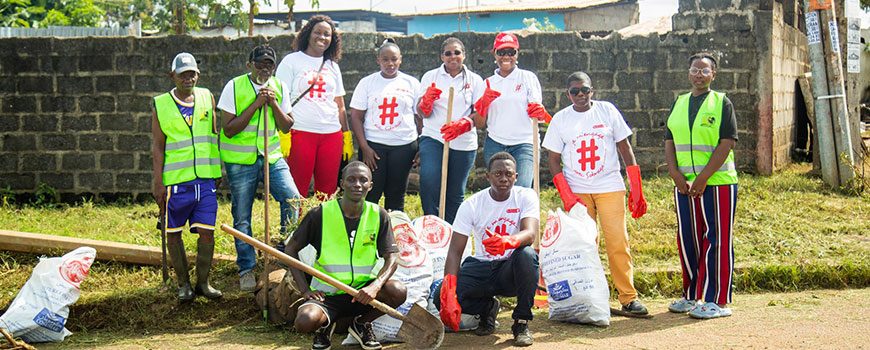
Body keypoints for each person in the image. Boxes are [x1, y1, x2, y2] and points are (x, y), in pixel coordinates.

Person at [542, 71, 650, 316]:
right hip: (578, 191)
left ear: (592, 90)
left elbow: (625, 148)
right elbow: (553, 160)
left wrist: (636, 187)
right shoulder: (561, 119)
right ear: (567, 94)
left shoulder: (607, 111)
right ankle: (591, 297)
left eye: (585, 90)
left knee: (617, 243)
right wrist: (567, 194)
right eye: (574, 91)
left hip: (609, 186)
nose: (580, 95)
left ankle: (628, 297)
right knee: (584, 246)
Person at [283, 161, 405, 350]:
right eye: (351, 179)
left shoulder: (378, 215)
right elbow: (290, 250)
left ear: (370, 186)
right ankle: (324, 327)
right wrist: (305, 290)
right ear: (342, 184)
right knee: (305, 321)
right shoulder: (319, 214)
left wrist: (375, 286)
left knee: (397, 290)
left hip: (363, 294)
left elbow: (392, 257)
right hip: (328, 295)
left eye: (363, 180)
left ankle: (361, 324)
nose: (357, 184)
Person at [217, 45, 301, 292]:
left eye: (269, 65)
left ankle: (283, 256)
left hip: (271, 156)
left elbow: (286, 126)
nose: (265, 68)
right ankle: (246, 268)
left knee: (293, 199)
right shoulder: (234, 87)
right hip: (241, 161)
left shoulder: (280, 87)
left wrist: (273, 104)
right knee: (242, 216)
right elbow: (229, 129)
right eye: (260, 64)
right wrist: (257, 103)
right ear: (249, 65)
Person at [435, 152, 539, 347]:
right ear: (488, 176)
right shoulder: (471, 204)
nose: (503, 178)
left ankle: (521, 323)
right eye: (498, 174)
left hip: (510, 269)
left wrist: (508, 241)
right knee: (439, 297)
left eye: (508, 174)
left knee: (527, 254)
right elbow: (455, 252)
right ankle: (487, 309)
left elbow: (530, 233)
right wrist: (449, 290)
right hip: (481, 266)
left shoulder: (526, 196)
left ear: (516, 177)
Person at [664, 52, 738, 319]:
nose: (698, 74)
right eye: (695, 70)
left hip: (717, 184)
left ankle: (716, 300)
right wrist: (675, 174)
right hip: (684, 185)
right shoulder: (679, 103)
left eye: (704, 71)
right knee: (688, 240)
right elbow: (670, 140)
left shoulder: (721, 102)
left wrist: (704, 177)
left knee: (716, 239)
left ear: (713, 75)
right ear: (688, 73)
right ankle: (691, 295)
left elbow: (727, 142)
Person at [150, 52, 222, 302]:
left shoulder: (207, 97)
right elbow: (158, 146)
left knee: (207, 232)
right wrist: (158, 182)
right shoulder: (161, 104)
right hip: (176, 182)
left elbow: (213, 137)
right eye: (182, 74)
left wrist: (217, 169)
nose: (188, 78)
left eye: (191, 73)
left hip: (205, 179)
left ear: (198, 75)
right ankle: (184, 285)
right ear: (173, 76)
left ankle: (203, 283)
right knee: (172, 232)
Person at [276, 15, 351, 199]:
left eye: (327, 34)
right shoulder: (292, 61)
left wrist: (346, 135)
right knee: (296, 188)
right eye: (318, 32)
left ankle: (322, 226)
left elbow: (340, 105)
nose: (322, 37)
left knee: (327, 191)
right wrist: (283, 134)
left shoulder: (333, 66)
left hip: (331, 135)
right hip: (300, 132)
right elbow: (280, 99)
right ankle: (295, 227)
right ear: (308, 34)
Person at [416, 37, 485, 224]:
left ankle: (451, 230)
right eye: (448, 53)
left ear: (464, 55)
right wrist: (426, 102)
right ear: (441, 56)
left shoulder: (475, 80)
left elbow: (480, 115)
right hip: (434, 136)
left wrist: (464, 123)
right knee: (430, 180)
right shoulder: (431, 77)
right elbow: (421, 112)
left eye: (457, 52)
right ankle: (431, 224)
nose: (452, 56)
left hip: (463, 141)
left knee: (455, 191)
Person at [349, 38, 421, 211]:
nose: (390, 63)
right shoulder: (367, 83)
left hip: (404, 146)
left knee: (396, 194)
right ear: (378, 60)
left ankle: (393, 231)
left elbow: (420, 117)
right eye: (385, 59)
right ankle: (367, 230)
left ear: (400, 59)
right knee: (371, 191)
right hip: (374, 148)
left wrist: (421, 145)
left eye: (394, 59)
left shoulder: (412, 83)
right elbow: (356, 116)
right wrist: (364, 147)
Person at [473, 32, 551, 189]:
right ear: (494, 53)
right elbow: (480, 124)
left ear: (517, 54)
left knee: (521, 189)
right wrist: (484, 104)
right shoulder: (487, 83)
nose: (506, 56)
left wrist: (539, 110)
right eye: (501, 52)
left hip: (524, 143)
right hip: (496, 143)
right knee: (499, 190)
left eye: (511, 52)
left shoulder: (528, 78)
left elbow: (538, 114)